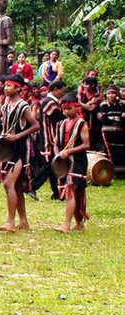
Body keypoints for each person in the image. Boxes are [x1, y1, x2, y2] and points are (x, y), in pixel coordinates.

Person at [0, 75, 40, 232]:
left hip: (21, 148)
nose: (5, 88)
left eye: (9, 85)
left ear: (19, 88)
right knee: (17, 186)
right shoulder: (6, 106)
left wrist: (16, 136)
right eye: (5, 85)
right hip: (9, 149)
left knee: (9, 183)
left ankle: (10, 221)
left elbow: (35, 126)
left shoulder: (23, 106)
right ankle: (23, 221)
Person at [54, 94, 90, 233]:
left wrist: (69, 152)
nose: (67, 112)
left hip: (78, 161)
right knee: (73, 191)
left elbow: (86, 144)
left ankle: (66, 225)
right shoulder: (61, 124)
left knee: (71, 190)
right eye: (64, 109)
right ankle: (79, 223)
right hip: (64, 162)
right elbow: (56, 143)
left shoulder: (82, 123)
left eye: (69, 109)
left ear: (77, 107)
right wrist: (58, 154)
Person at [32, 80, 67, 200]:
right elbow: (60, 118)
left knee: (52, 166)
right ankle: (32, 187)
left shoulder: (51, 101)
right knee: (49, 165)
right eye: (62, 91)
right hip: (49, 139)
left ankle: (57, 194)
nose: (63, 93)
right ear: (55, 89)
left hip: (52, 139)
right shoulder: (49, 102)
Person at [98, 85, 125, 168]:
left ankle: (120, 169)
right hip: (107, 133)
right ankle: (111, 169)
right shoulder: (104, 105)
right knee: (110, 150)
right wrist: (118, 118)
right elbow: (105, 120)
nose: (111, 95)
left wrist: (112, 118)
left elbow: (123, 120)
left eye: (113, 93)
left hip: (120, 132)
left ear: (116, 94)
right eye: (109, 93)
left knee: (121, 149)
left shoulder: (121, 105)